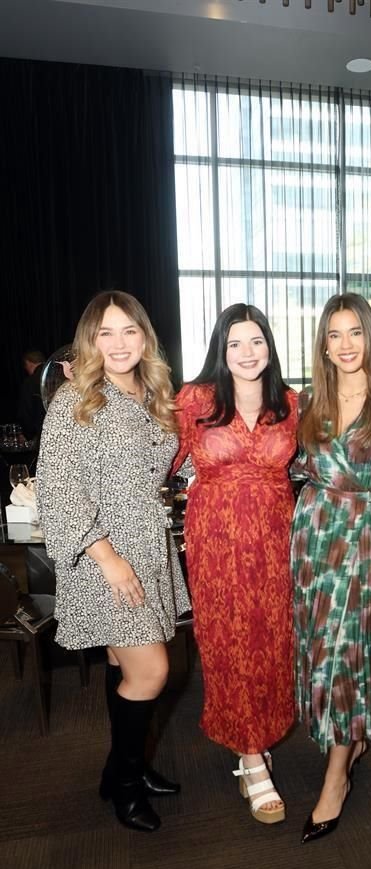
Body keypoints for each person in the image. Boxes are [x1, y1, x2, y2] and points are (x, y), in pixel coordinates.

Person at [37, 290, 190, 833]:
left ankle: (122, 769)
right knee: (152, 672)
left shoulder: (152, 394)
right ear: (90, 341)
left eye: (129, 330)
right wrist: (109, 558)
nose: (119, 342)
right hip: (106, 558)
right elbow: (58, 491)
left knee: (124, 666)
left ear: (145, 336)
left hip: (148, 548)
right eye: (106, 332)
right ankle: (125, 786)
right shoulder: (78, 398)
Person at [171, 303, 298, 825]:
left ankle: (260, 734)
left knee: (270, 638)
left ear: (270, 347)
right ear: (220, 350)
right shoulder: (194, 400)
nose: (248, 354)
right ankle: (250, 757)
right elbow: (161, 458)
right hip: (216, 538)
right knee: (227, 638)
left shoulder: (291, 402)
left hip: (275, 537)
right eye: (235, 344)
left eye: (257, 342)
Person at [291, 292, 371, 844]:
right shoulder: (310, 398)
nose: (345, 345)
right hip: (313, 535)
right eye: (334, 335)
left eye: (354, 332)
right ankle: (349, 739)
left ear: (370, 337)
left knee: (345, 652)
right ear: (323, 346)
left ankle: (336, 780)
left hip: (364, 536)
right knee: (317, 649)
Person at [17, 348, 46, 442]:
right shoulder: (55, 375)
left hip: (41, 432)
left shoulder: (30, 382)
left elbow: (26, 410)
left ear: (28, 363)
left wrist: (26, 434)